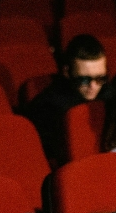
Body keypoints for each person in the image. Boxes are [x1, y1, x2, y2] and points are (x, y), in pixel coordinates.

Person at [25, 34, 109, 166]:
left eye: (100, 78)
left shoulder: (110, 93)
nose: (93, 86)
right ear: (66, 72)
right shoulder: (47, 106)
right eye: (84, 79)